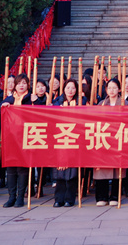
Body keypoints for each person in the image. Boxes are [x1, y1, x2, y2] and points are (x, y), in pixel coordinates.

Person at [94, 78, 127, 206]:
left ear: (119, 89)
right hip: (103, 139)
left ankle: (115, 196)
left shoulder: (125, 103)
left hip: (118, 139)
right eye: (109, 88)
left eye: (114, 87)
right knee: (101, 168)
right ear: (106, 90)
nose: (112, 90)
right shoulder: (101, 104)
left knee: (117, 169)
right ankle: (101, 197)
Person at [51, 78, 84, 207]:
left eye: (73, 88)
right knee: (60, 170)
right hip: (60, 138)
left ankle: (70, 198)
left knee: (72, 171)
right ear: (63, 89)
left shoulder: (82, 102)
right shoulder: (56, 102)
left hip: (75, 138)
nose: (70, 90)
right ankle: (58, 198)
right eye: (68, 87)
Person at [0, 75, 32, 207]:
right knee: (11, 169)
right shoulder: (9, 99)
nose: (21, 86)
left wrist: (38, 102)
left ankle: (20, 197)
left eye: (24, 83)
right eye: (19, 83)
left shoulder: (31, 98)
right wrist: (3, 107)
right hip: (10, 138)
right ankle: (11, 197)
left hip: (25, 137)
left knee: (22, 168)